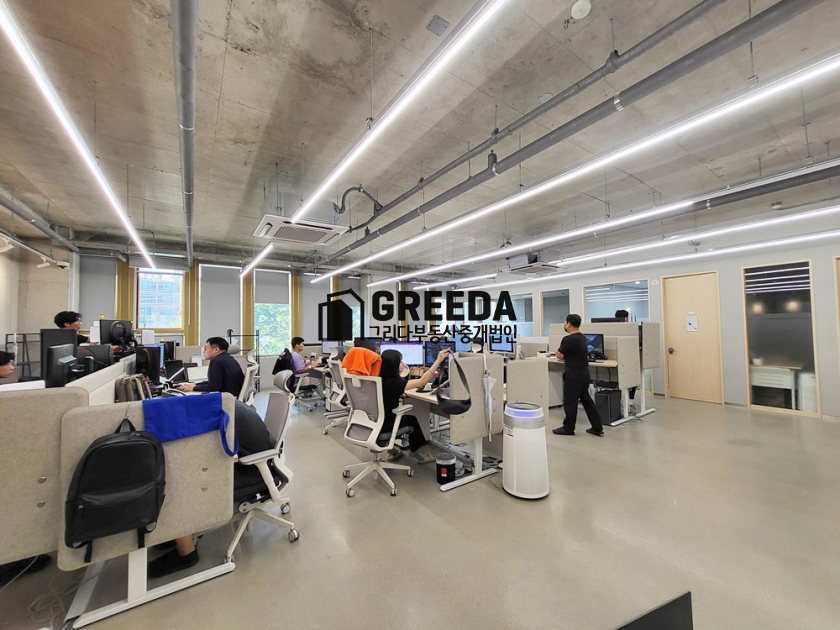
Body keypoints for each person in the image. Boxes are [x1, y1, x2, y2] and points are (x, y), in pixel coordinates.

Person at [148, 400, 275, 578]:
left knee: (178, 485)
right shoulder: (228, 405)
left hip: (252, 471)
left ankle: (186, 553)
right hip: (249, 464)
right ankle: (179, 533)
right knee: (183, 473)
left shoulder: (224, 414)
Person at [379, 348, 449, 464]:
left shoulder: (377, 379)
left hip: (373, 422)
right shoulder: (395, 383)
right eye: (400, 362)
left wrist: (399, 392)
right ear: (393, 365)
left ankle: (392, 451)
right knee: (412, 420)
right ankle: (417, 454)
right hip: (387, 424)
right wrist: (438, 360)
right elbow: (422, 382)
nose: (403, 364)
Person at [553, 314, 604, 437]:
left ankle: (568, 428)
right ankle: (597, 427)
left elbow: (560, 354)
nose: (564, 325)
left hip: (573, 374)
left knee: (570, 401)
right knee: (587, 400)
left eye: (565, 322)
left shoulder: (568, 339)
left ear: (569, 324)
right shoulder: (582, 338)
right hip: (584, 373)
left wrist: (560, 355)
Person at [178, 337, 244, 397]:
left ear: (216, 349)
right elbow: (214, 382)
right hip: (233, 396)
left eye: (206, 348)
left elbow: (213, 387)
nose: (204, 351)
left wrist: (193, 388)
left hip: (227, 399)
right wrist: (195, 385)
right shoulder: (227, 359)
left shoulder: (216, 361)